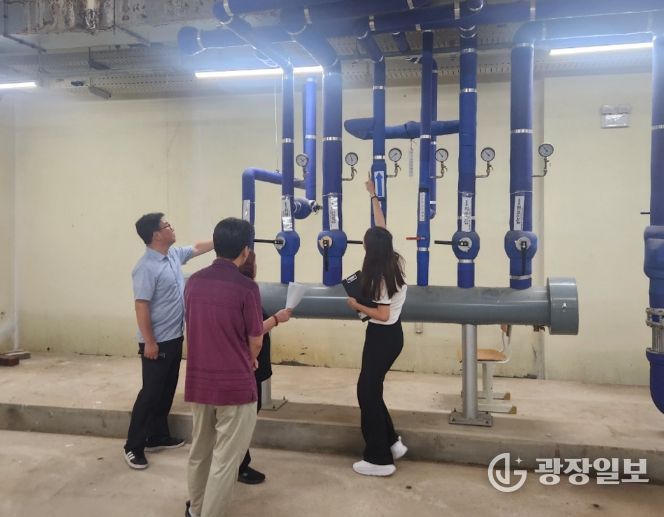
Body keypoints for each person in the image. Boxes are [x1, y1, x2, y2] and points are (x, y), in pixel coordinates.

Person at [184, 218, 291, 517]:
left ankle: (195, 510)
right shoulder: (246, 288)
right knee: (225, 461)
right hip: (235, 387)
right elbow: (255, 340)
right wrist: (250, 358)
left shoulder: (193, 282)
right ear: (245, 250)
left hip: (199, 383)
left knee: (199, 453)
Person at [124, 212, 214, 470]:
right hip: (156, 342)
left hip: (174, 337)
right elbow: (141, 306)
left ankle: (157, 435)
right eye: (167, 226)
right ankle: (133, 446)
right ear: (156, 234)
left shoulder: (172, 255)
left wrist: (221, 239)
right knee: (150, 393)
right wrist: (150, 342)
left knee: (166, 390)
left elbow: (196, 248)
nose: (172, 228)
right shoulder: (145, 268)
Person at [346, 180, 408, 477]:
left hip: (382, 336)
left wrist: (357, 305)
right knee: (372, 389)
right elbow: (382, 228)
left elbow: (382, 315)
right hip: (391, 337)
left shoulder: (382, 276)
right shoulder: (394, 260)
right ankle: (392, 443)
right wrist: (373, 195)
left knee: (366, 393)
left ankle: (379, 459)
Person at [237, 249, 291, 485]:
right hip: (250, 365)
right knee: (245, 417)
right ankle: (239, 465)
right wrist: (277, 319)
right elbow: (254, 332)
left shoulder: (235, 288)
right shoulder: (247, 290)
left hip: (246, 364)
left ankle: (238, 462)